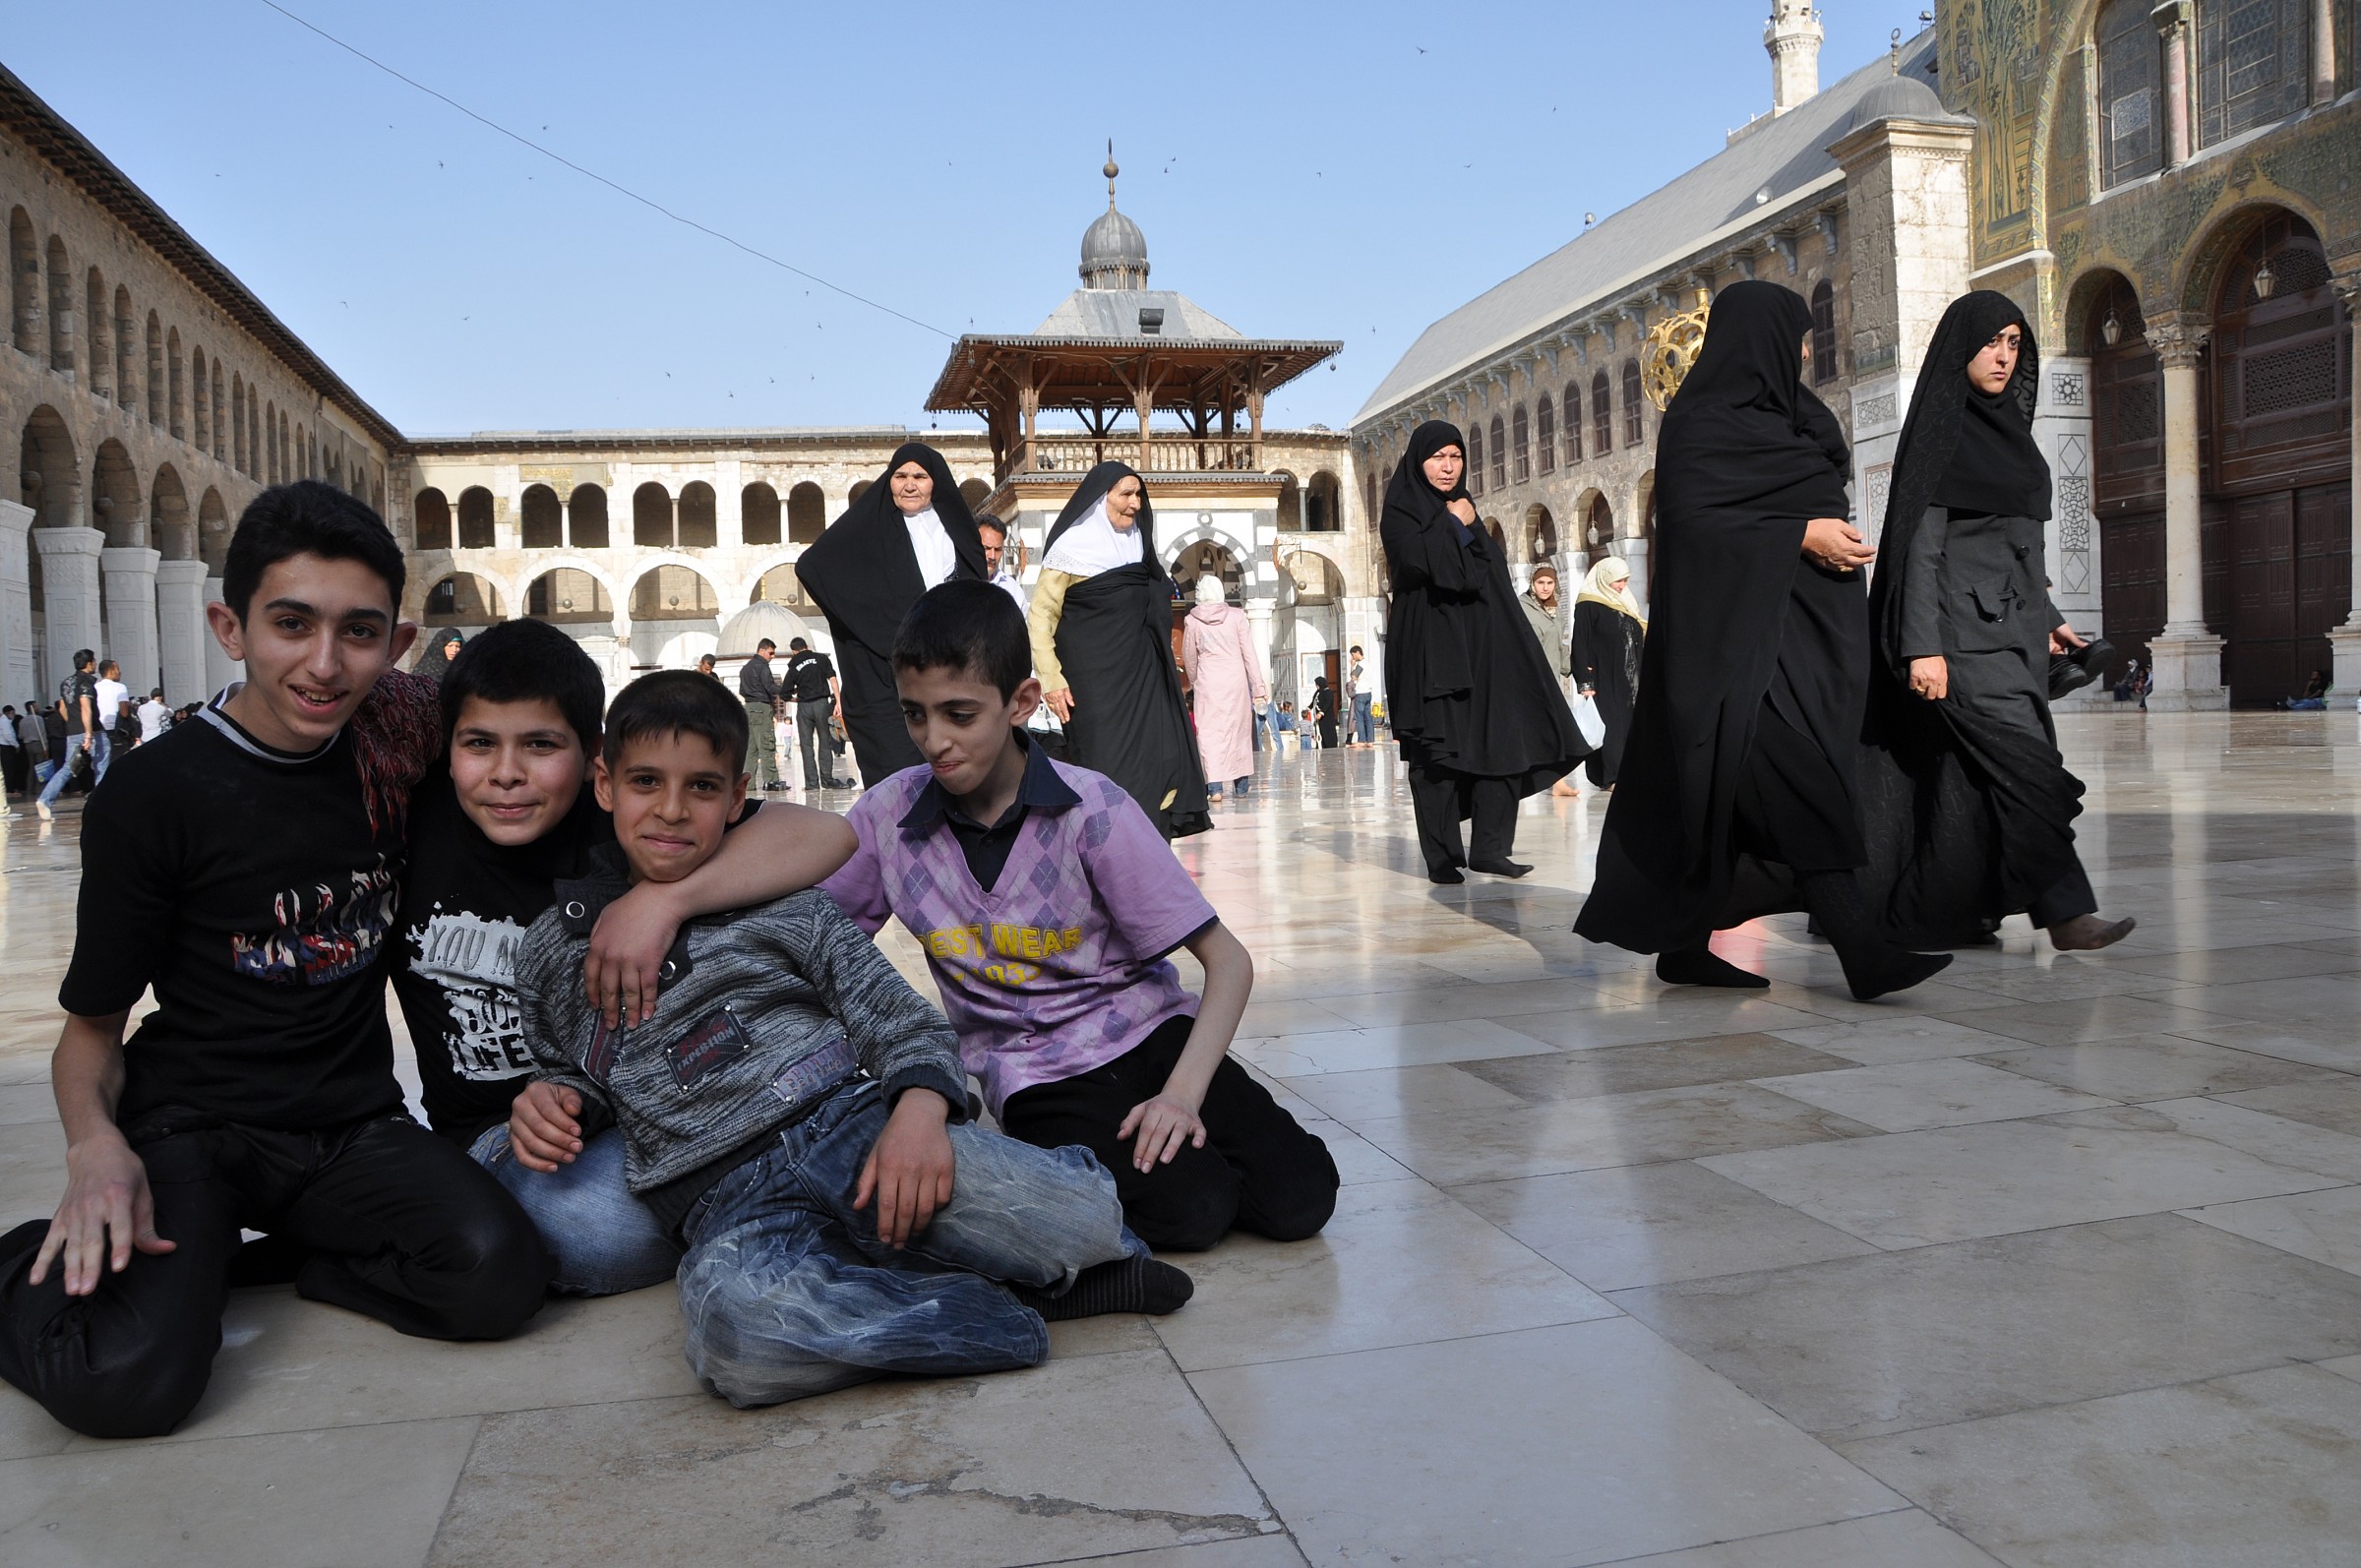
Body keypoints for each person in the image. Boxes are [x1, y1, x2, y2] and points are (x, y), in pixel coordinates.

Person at [0, 481, 552, 1440]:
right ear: (231, 624)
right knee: (127, 1379)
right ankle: (20, 1264)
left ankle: (244, 1259)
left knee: (497, 1273)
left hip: (349, 1126)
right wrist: (96, 1147)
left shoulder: (409, 745)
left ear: (399, 641)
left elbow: (611, 768)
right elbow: (90, 1031)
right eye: (292, 623)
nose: (325, 664)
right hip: (194, 1125)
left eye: (360, 632)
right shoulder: (157, 790)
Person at [507, 669, 1191, 1405]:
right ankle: (1012, 1309)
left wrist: (921, 1114)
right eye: (646, 782)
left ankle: (902, 1270)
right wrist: (553, 1099)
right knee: (739, 1343)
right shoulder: (555, 950)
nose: (671, 811)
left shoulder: (782, 902)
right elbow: (573, 1069)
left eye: (702, 788)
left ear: (738, 797)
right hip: (720, 1201)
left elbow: (901, 1019)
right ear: (605, 783)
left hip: (856, 1134)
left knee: (1084, 1220)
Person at [825, 581, 1338, 1250]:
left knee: (1302, 1197)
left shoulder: (1090, 809)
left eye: (959, 714)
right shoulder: (890, 818)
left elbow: (1228, 962)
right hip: (1034, 1068)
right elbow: (812, 934)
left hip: (1150, 1034)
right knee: (1192, 1209)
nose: (934, 741)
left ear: (1022, 702)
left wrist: (1182, 1095)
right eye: (916, 715)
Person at [392, 619, 858, 1297]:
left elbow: (829, 834)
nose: (507, 773)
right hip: (509, 1135)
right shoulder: (418, 826)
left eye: (541, 745)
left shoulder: (623, 822)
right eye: (480, 744)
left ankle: (774, 1221)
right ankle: (789, 1220)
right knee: (587, 1231)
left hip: (658, 1108)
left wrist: (663, 901)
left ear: (593, 762)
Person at [1574, 280, 1950, 1000]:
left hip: (1801, 642)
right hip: (1734, 656)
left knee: (1733, 811)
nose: (1805, 353)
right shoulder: (1700, 422)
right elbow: (1695, 532)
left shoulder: (1798, 415)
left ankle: (1684, 944)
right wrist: (1798, 534)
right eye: (1795, 338)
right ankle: (1866, 957)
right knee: (1801, 791)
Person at [1861, 290, 2136, 954]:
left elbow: (2023, 552)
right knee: (2028, 769)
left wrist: (2053, 619)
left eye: (2015, 343)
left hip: (2014, 638)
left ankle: (1948, 911)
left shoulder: (2012, 442)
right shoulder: (1939, 438)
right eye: (1992, 342)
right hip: (1958, 641)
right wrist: (1922, 648)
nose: (2004, 356)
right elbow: (1918, 552)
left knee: (1969, 777)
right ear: (1961, 348)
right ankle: (2068, 914)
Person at [1380, 422, 1589, 883]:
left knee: (1502, 738)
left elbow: (1485, 572)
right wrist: (1453, 521)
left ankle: (1492, 848)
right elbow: (1420, 564)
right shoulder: (1401, 510)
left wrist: (1463, 520)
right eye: (1438, 457)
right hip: (1432, 650)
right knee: (1438, 753)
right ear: (1420, 460)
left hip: (1483, 649)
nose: (1448, 466)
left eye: (1455, 456)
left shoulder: (1467, 506)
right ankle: (1441, 856)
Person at [1028, 462, 1211, 839]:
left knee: (1158, 767)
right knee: (1104, 772)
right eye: (1125, 494)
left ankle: (1149, 860)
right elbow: (1041, 616)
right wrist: (1051, 679)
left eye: (1138, 494)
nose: (1134, 503)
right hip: (1092, 690)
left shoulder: (1138, 546)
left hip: (1145, 684)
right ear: (1101, 498)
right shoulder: (1069, 549)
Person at [795, 443, 988, 787]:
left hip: (948, 671)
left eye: (919, 476)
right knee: (898, 780)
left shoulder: (955, 530)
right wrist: (882, 631)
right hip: (886, 680)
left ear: (936, 482)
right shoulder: (871, 530)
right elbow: (812, 566)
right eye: (900, 476)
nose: (909, 485)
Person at [1180, 575, 1266, 798]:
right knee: (1237, 731)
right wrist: (1258, 688)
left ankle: (1215, 787)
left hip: (1208, 681)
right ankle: (1241, 785)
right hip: (1235, 681)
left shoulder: (1192, 620)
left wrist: (1194, 681)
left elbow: (1189, 656)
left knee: (1209, 734)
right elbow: (1249, 654)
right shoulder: (1237, 616)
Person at [1570, 556, 1647, 791]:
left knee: (1630, 724)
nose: (1622, 586)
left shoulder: (1626, 602)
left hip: (1630, 676)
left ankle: (1631, 771)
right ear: (1605, 578)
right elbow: (1580, 643)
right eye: (1618, 581)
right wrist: (1585, 681)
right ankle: (1610, 776)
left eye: (1625, 581)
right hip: (1604, 676)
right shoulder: (1588, 604)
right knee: (1611, 726)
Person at [1518, 566, 1580, 798]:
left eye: (1550, 583)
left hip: (1553, 679)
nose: (1545, 588)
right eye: (1540, 583)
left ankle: (1557, 780)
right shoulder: (1521, 607)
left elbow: (1560, 643)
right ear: (1532, 583)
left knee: (1556, 730)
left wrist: (1573, 668)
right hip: (1530, 680)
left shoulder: (1555, 609)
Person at [33, 648, 102, 821]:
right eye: (94, 661)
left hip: (72, 732)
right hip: (92, 731)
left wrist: (72, 723)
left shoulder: (66, 682)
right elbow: (86, 707)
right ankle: (103, 803)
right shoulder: (86, 682)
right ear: (89, 663)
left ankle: (45, 799)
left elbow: (62, 707)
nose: (95, 664)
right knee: (101, 766)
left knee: (67, 768)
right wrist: (88, 733)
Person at [784, 636, 853, 790]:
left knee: (806, 745)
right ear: (807, 646)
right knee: (825, 742)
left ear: (794, 651)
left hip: (804, 707)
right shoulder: (821, 659)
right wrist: (838, 702)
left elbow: (784, 693)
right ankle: (827, 779)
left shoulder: (794, 665)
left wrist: (797, 698)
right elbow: (833, 679)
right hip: (822, 703)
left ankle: (812, 783)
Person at [737, 637, 786, 791]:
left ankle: (748, 785)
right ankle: (771, 781)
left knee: (750, 749)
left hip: (748, 708)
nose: (772, 656)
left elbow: (742, 691)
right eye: (771, 653)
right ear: (762, 650)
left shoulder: (745, 668)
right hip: (761, 707)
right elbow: (770, 687)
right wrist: (787, 691)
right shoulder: (762, 667)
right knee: (767, 745)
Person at [979, 517, 1028, 615]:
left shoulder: (1013, 590)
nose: (992, 556)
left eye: (997, 550)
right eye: (987, 548)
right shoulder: (956, 583)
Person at [1346, 645, 1375, 746]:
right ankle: (1370, 740)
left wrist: (1352, 666)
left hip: (1361, 693)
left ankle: (1362, 740)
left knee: (1359, 717)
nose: (1353, 657)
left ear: (1358, 653)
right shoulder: (1368, 663)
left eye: (1353, 655)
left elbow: (1353, 677)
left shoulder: (1361, 664)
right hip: (1368, 692)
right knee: (1368, 717)